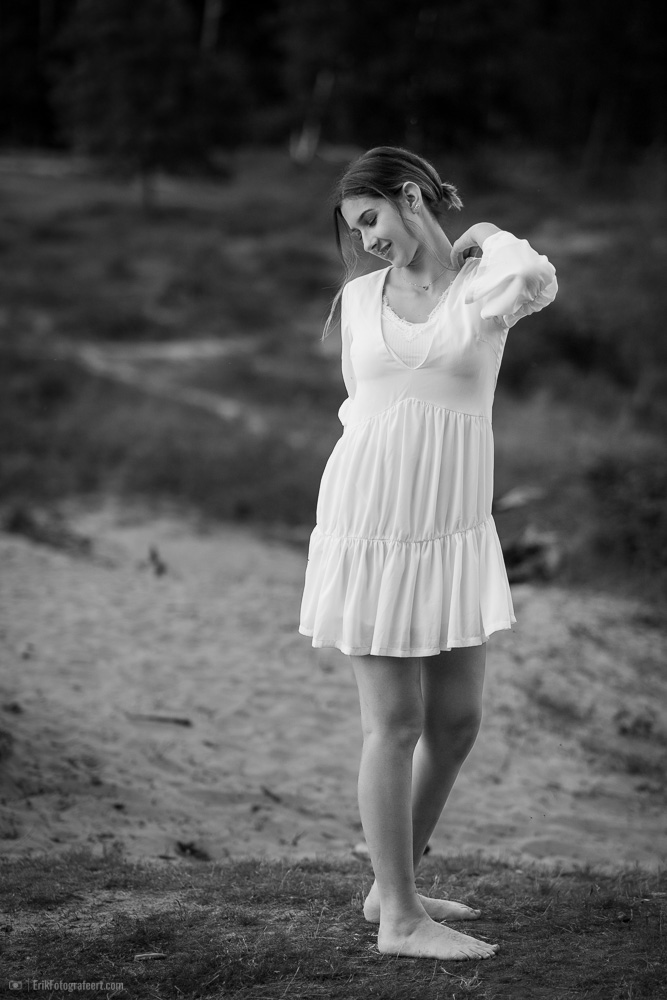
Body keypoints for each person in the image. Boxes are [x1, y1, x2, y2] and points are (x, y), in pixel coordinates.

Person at [299, 146, 557, 961]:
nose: (366, 240)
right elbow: (364, 412)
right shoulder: (357, 299)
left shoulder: (484, 289)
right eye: (354, 230)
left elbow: (537, 275)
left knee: (455, 721)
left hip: (449, 530)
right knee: (394, 722)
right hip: (371, 525)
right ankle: (401, 922)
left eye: (370, 218)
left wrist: (486, 231)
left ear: (409, 195)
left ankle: (391, 885)